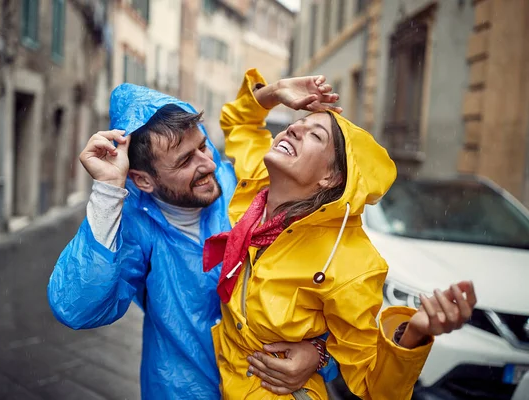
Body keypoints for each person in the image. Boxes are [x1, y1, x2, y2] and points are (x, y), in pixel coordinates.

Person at [47, 80, 343, 399]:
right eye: (185, 160)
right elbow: (78, 308)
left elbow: (325, 293)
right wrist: (107, 191)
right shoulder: (134, 227)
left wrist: (320, 353)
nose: (209, 164)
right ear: (143, 180)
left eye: (203, 147)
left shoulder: (247, 190)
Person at [203, 69, 478, 400]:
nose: (293, 128)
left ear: (331, 178)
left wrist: (414, 331)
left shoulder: (352, 262)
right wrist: (277, 91)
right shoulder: (258, 184)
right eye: (297, 124)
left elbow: (373, 387)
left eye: (315, 135)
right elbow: (240, 122)